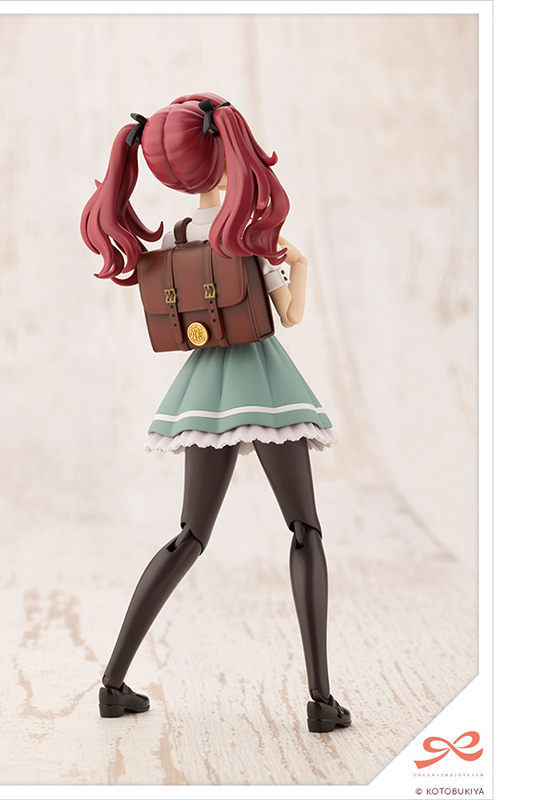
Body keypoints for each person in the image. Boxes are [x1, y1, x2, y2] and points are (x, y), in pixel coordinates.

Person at [80, 93, 351, 732]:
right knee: (304, 530)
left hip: (203, 390)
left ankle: (112, 683)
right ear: (227, 154)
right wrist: (298, 263)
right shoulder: (248, 236)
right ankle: (320, 700)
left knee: (189, 535)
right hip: (263, 383)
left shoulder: (175, 236)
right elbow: (289, 316)